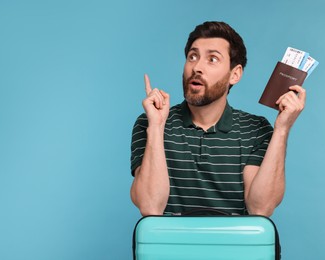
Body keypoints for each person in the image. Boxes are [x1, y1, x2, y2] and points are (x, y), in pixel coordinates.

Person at [130, 21, 305, 217]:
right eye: (192, 56)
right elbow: (150, 206)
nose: (197, 67)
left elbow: (260, 208)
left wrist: (282, 129)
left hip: (233, 246)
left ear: (235, 74)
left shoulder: (256, 129)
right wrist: (156, 127)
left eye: (212, 59)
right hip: (170, 246)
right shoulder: (150, 122)